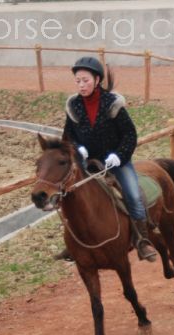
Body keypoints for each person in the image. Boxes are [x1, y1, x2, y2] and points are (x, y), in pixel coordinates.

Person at [62, 56, 158, 262]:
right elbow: (67, 138)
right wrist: (79, 149)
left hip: (116, 163)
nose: (81, 85)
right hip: (88, 165)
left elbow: (130, 135)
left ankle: (142, 240)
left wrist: (118, 156)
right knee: (69, 196)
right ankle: (74, 244)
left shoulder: (113, 104)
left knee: (132, 195)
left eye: (85, 80)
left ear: (97, 80)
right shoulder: (73, 106)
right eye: (78, 81)